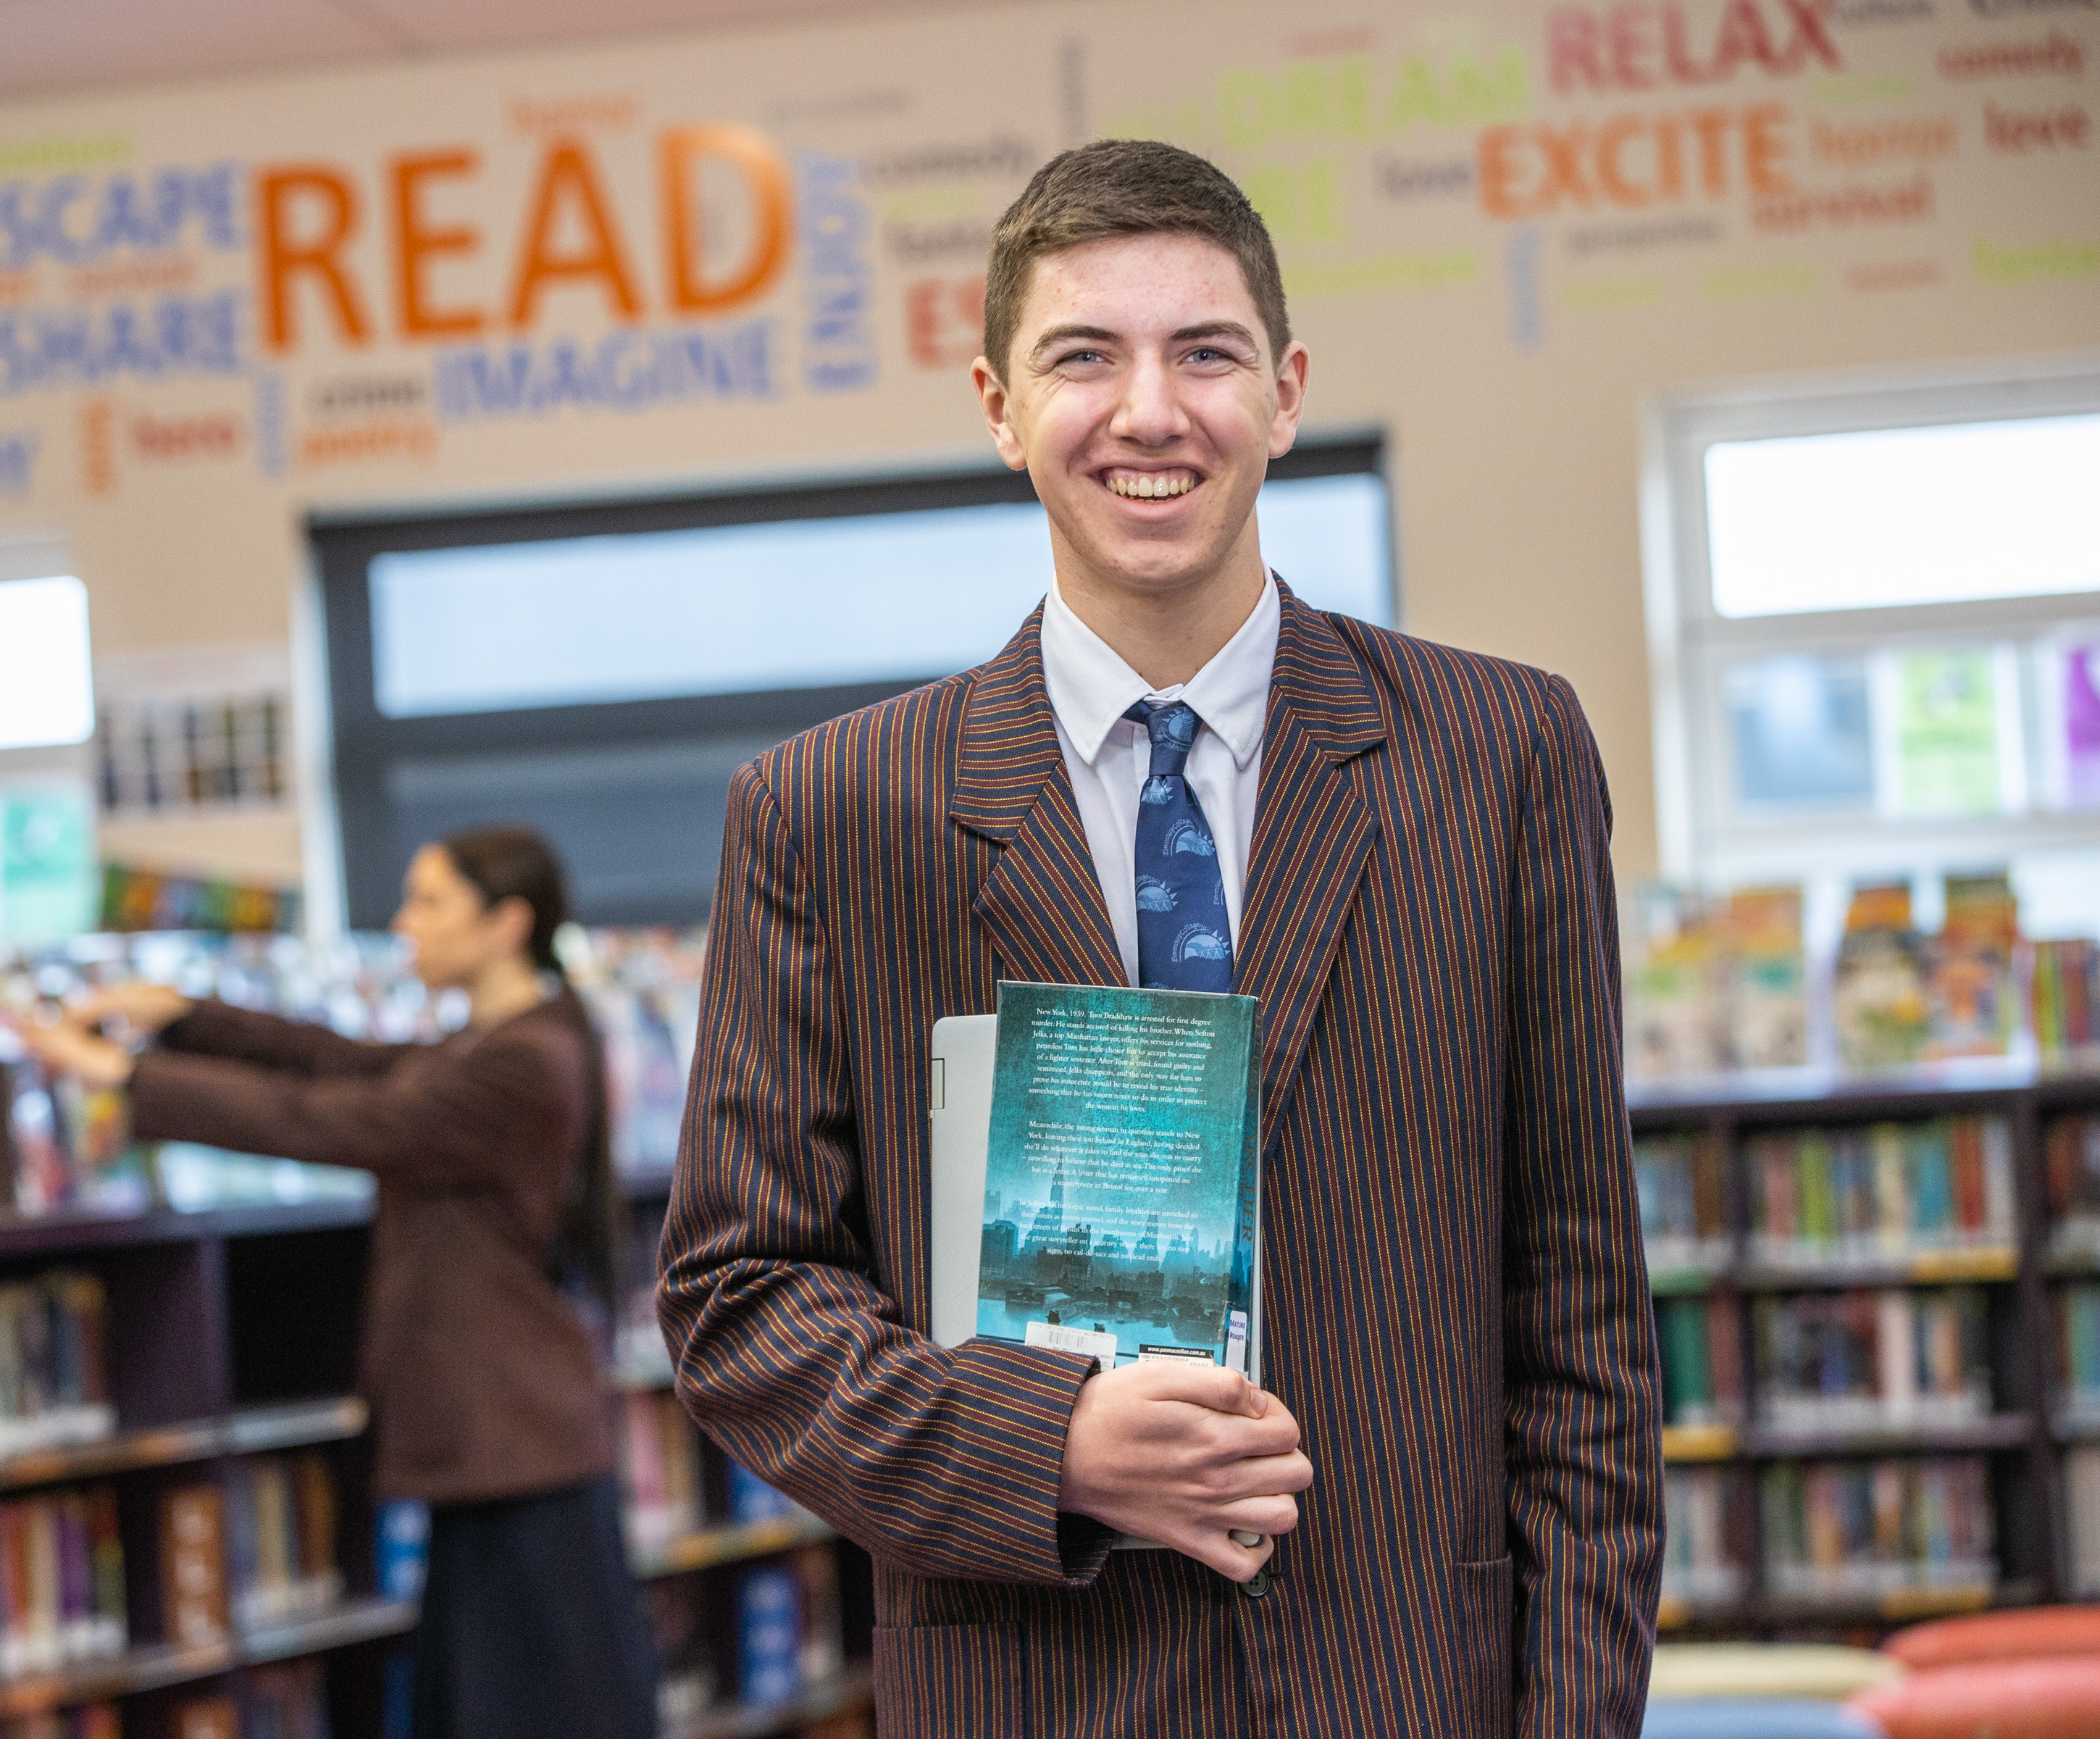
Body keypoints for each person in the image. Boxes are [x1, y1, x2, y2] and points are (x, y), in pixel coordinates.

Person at [658, 138, 1660, 1736]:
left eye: (1205, 352)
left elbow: (1582, 1323)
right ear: (997, 406)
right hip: (1033, 1689)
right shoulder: (832, 809)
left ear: (1284, 391)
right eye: (1082, 357)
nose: (1148, 411)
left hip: (1415, 1680)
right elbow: (737, 1293)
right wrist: (1041, 1440)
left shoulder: (1503, 752)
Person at [19, 825, 658, 1739]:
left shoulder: (523, 1061)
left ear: (507, 923)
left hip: (517, 1445)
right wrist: (184, 1016)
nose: (404, 924)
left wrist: (127, 1073)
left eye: (430, 902)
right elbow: (340, 1062)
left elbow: (339, 1119)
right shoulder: (495, 1042)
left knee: (532, 1709)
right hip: (499, 1442)